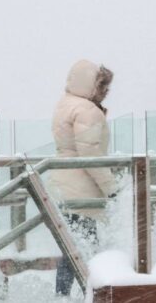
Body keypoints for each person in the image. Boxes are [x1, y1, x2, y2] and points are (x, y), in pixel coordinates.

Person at [47, 59, 117, 296]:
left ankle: (64, 294)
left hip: (64, 185)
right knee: (85, 249)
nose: (105, 92)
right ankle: (82, 295)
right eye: (102, 87)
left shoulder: (65, 104)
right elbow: (90, 153)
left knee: (73, 248)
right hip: (80, 189)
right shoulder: (86, 109)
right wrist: (111, 187)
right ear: (91, 85)